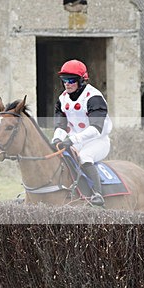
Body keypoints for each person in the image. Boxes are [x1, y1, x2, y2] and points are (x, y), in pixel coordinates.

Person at [50, 59, 113, 207]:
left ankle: (98, 194)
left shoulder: (94, 98)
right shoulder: (62, 98)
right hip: (78, 141)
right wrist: (56, 139)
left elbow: (96, 128)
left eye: (71, 80)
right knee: (61, 158)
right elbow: (60, 125)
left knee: (84, 157)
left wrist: (72, 139)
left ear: (82, 80)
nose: (67, 83)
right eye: (64, 80)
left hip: (98, 141)